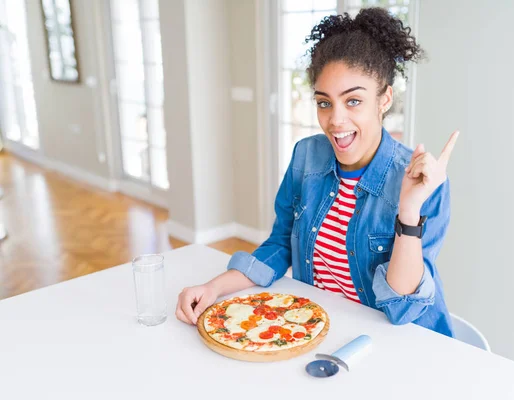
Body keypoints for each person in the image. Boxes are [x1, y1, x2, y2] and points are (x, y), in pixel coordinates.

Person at [176, 7, 458, 337]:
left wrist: (409, 211)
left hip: (406, 343)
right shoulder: (306, 157)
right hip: (323, 331)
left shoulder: (424, 182)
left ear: (384, 99)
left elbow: (402, 307)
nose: (335, 120)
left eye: (353, 101)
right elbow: (280, 244)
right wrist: (214, 287)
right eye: (324, 102)